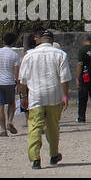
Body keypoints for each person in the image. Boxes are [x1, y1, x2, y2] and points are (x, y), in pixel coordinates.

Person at [16, 29, 72, 169]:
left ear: (39, 40)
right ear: (52, 41)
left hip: (36, 96)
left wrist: (23, 97)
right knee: (53, 126)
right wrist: (65, 96)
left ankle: (35, 158)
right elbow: (64, 78)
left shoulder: (29, 56)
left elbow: (22, 80)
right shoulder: (60, 54)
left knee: (34, 126)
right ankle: (53, 154)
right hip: (54, 96)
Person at [0, 33, 20, 136]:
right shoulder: (14, 55)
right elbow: (16, 71)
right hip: (9, 82)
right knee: (12, 103)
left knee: (1, 106)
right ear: (13, 42)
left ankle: (3, 130)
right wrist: (18, 83)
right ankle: (10, 122)